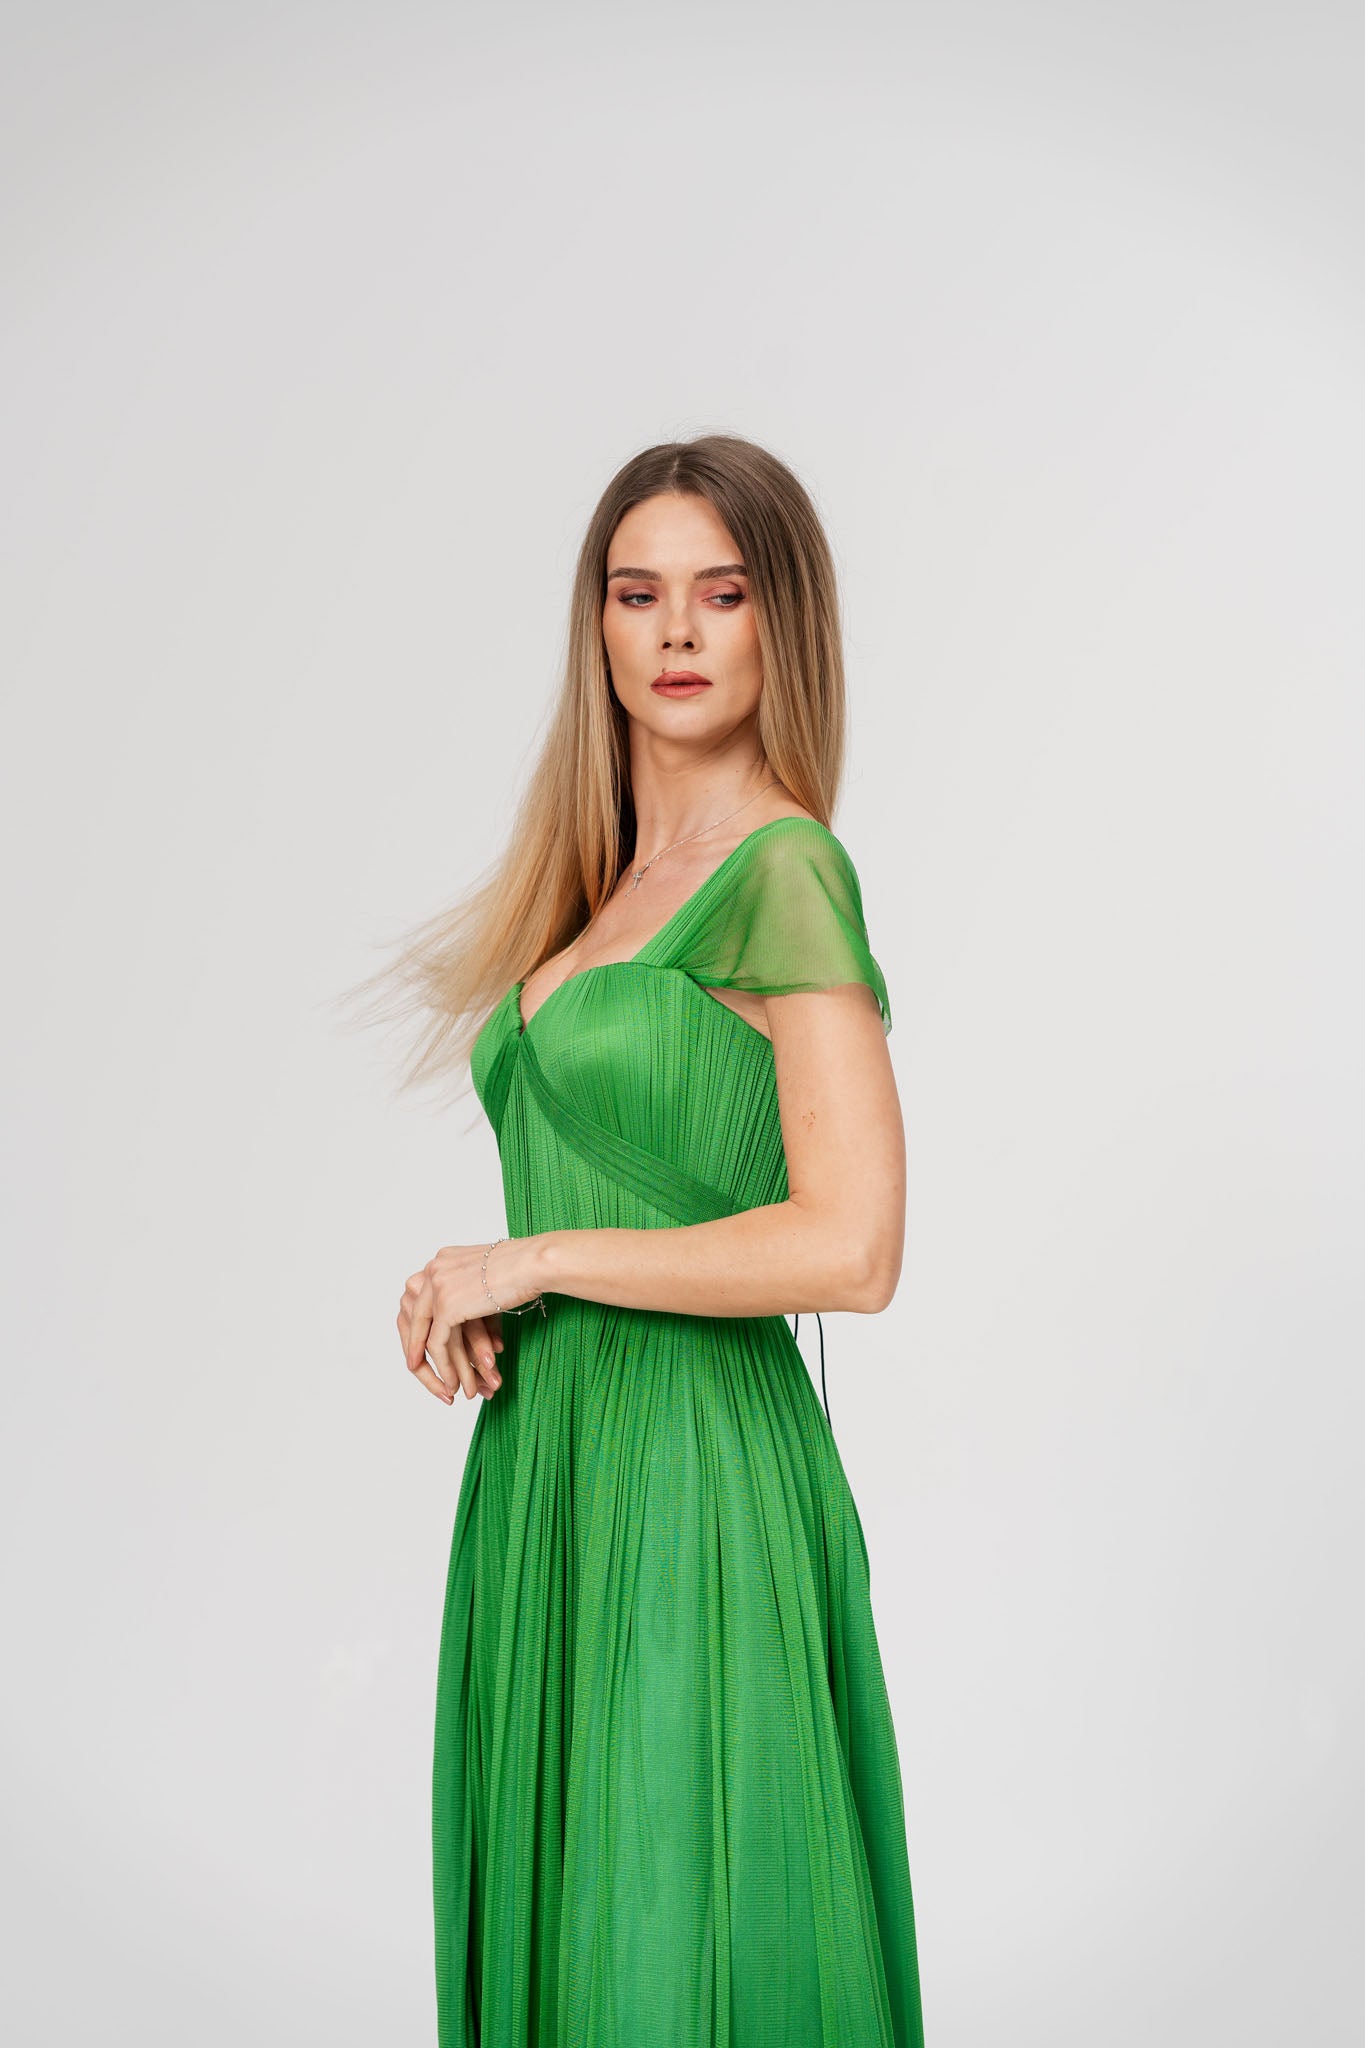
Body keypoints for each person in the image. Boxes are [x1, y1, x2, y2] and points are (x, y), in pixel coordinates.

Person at [364, 434, 926, 2045]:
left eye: (721, 593)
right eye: (637, 593)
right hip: (546, 1474)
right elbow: (610, 1189)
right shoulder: (590, 894)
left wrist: (530, 1261)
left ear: (779, 624)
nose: (675, 631)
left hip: (693, 1472)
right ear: (595, 624)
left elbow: (854, 1247)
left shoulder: (786, 870)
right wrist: (475, 1284)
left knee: (676, 1937)